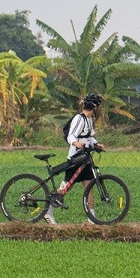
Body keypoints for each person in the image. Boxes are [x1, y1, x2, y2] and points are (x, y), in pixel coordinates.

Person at [44, 94, 102, 222]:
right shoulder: (78, 118)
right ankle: (48, 212)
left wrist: (96, 144)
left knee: (89, 188)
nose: (98, 109)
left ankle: (92, 220)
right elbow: (71, 136)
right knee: (65, 188)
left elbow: (89, 137)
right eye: (97, 106)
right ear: (93, 106)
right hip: (75, 159)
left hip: (85, 160)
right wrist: (76, 143)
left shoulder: (89, 120)